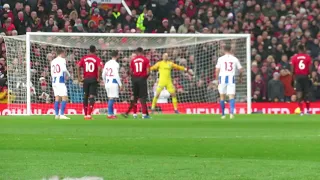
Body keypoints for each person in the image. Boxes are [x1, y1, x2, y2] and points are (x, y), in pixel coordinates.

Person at [215, 45, 243, 119]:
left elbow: (217, 70)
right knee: (231, 96)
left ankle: (223, 114)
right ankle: (231, 114)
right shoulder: (235, 59)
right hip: (231, 78)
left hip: (222, 78)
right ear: (230, 50)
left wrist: (216, 79)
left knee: (222, 96)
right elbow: (241, 70)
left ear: (224, 50)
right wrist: (240, 77)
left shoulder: (220, 59)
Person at [122, 47, 150, 119]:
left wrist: (134, 78)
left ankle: (131, 113)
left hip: (135, 80)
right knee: (142, 97)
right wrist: (144, 78)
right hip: (142, 79)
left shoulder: (133, 60)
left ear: (137, 52)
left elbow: (131, 71)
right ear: (142, 52)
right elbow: (148, 71)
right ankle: (144, 115)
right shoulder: (146, 60)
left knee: (135, 97)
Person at [77, 45, 103, 120]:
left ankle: (85, 115)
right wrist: (98, 77)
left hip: (86, 79)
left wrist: (79, 78)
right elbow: (99, 68)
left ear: (89, 50)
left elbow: (78, 66)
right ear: (95, 50)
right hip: (93, 79)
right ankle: (89, 115)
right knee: (92, 96)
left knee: (85, 96)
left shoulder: (84, 58)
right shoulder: (97, 59)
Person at [290, 44, 312, 115]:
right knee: (306, 94)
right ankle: (308, 111)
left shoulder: (294, 58)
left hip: (298, 77)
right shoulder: (308, 57)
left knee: (299, 94)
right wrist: (310, 76)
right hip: (305, 77)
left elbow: (292, 70)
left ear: (298, 49)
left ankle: (301, 112)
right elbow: (310, 69)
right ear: (303, 49)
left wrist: (292, 79)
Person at [50, 49, 71, 120]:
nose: (65, 55)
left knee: (57, 97)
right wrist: (69, 74)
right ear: (62, 53)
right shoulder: (62, 60)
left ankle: (56, 115)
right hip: (60, 80)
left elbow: (52, 72)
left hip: (54, 81)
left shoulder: (53, 61)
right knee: (64, 97)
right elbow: (64, 69)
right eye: (64, 53)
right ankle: (62, 114)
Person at [102, 50, 122, 119]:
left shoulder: (107, 63)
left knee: (110, 98)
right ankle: (110, 114)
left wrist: (105, 82)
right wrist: (120, 84)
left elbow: (103, 74)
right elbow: (116, 75)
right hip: (113, 82)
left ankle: (112, 113)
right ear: (117, 56)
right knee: (111, 98)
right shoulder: (116, 64)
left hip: (107, 82)